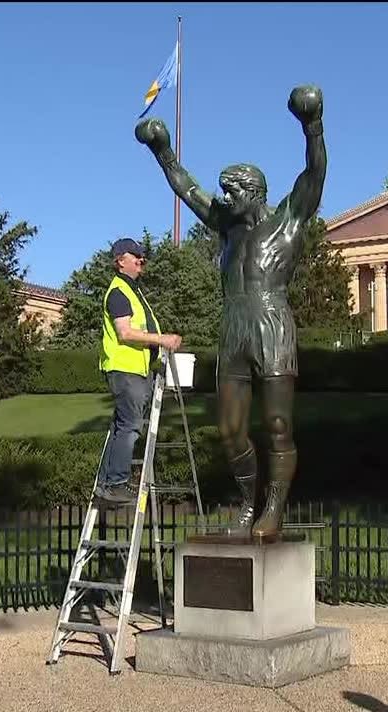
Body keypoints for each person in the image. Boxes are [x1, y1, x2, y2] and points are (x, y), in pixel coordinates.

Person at [134, 85, 325, 539]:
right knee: (230, 430)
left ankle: (273, 505)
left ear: (252, 191)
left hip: (271, 322)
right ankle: (245, 502)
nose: (221, 197)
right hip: (233, 326)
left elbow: (314, 172)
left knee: (278, 424)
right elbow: (188, 188)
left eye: (231, 190)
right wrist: (163, 151)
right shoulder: (226, 229)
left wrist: (312, 125)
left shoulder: (289, 220)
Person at [96, 237, 182, 505]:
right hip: (125, 370)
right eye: (135, 256)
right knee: (130, 426)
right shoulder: (120, 292)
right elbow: (125, 333)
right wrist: (163, 340)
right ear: (120, 260)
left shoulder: (132, 291)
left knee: (123, 426)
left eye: (141, 256)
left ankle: (107, 481)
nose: (141, 260)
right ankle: (116, 483)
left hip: (135, 370)